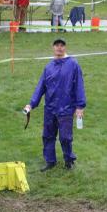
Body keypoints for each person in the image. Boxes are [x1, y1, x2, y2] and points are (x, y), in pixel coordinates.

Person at [24, 38, 86, 172]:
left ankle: (69, 160)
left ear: (65, 48)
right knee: (48, 136)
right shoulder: (48, 67)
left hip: (66, 108)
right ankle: (50, 161)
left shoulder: (73, 65)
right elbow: (40, 87)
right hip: (50, 109)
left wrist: (80, 106)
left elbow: (79, 85)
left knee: (65, 137)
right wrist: (31, 104)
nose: (59, 48)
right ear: (53, 48)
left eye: (62, 45)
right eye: (57, 45)